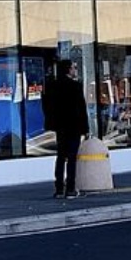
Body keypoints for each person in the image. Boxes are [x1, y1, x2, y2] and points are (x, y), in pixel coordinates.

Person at [43, 57, 89, 199]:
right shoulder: (76, 86)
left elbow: (46, 105)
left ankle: (58, 188)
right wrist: (85, 128)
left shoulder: (52, 85)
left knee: (61, 156)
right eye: (74, 67)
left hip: (60, 126)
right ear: (68, 69)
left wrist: (51, 122)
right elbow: (81, 108)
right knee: (72, 158)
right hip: (74, 126)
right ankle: (70, 188)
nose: (75, 70)